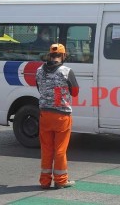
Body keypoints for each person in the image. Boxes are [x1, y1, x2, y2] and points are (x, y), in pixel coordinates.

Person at [35, 43, 79, 189]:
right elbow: (75, 92)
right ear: (64, 55)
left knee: (46, 148)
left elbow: (39, 88)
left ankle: (45, 181)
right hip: (62, 116)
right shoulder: (66, 71)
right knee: (60, 149)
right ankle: (61, 180)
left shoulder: (39, 70)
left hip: (44, 114)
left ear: (50, 55)